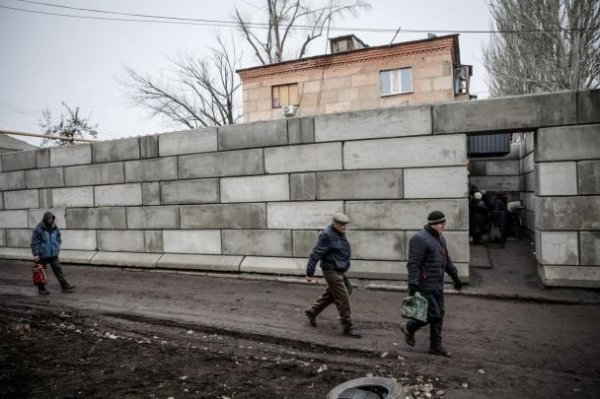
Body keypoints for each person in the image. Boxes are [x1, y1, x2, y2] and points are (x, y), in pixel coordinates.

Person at [400, 211, 463, 357]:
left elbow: (446, 261)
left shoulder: (440, 238)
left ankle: (435, 346)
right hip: (424, 284)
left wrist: (455, 277)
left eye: (444, 223)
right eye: (442, 223)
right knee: (434, 314)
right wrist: (413, 283)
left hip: (437, 284)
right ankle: (409, 327)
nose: (444, 226)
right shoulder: (419, 239)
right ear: (433, 224)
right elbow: (413, 264)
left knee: (439, 314)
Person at [304, 212, 361, 338]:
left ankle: (312, 311)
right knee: (343, 298)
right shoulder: (326, 235)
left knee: (333, 294)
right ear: (334, 223)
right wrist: (309, 273)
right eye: (341, 225)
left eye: (345, 225)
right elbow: (315, 254)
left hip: (339, 269)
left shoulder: (339, 232)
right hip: (331, 270)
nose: (344, 228)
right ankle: (348, 327)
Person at [30, 211, 75, 295]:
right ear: (45, 219)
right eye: (49, 219)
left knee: (58, 271)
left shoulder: (54, 227)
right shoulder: (38, 229)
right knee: (40, 272)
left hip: (53, 254)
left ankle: (65, 287)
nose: (50, 220)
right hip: (42, 255)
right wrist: (36, 254)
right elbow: (34, 242)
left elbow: (58, 237)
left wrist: (57, 246)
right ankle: (41, 289)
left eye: (51, 218)